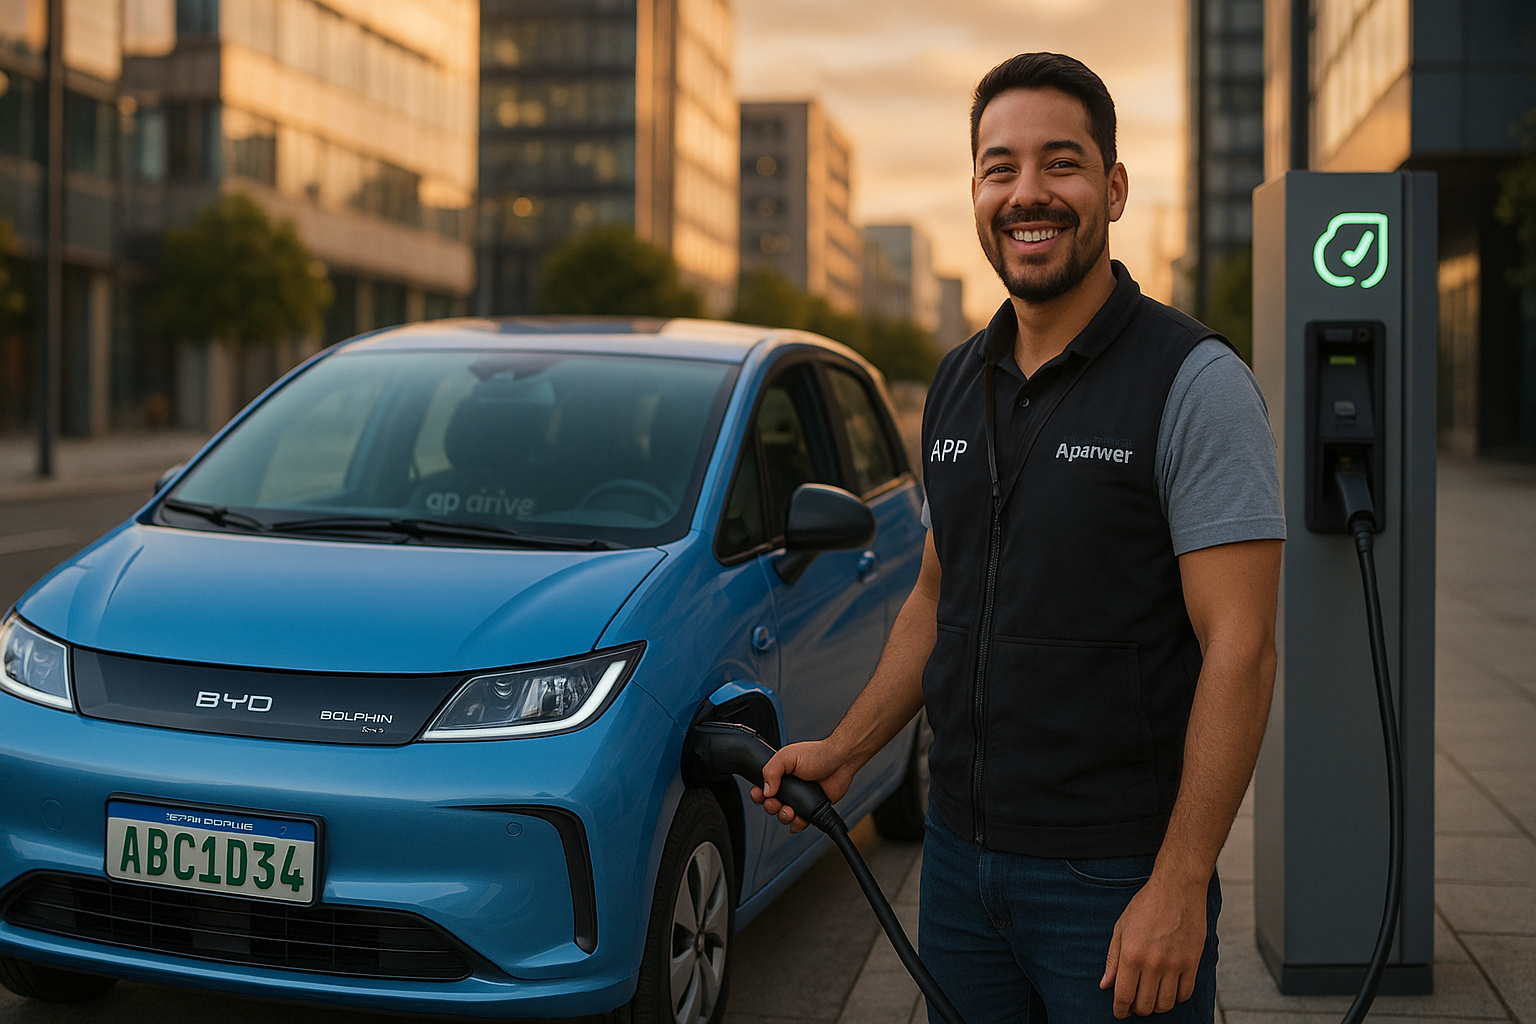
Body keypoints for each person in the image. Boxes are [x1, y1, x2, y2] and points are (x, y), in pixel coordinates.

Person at [752, 52, 1285, 1022]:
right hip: (960, 864)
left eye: (1061, 163)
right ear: (976, 190)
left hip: (1113, 873)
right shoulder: (959, 379)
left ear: (1114, 188)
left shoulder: (1194, 382)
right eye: (1001, 167)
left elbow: (1241, 651)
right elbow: (933, 595)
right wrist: (846, 747)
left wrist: (1178, 882)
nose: (1027, 193)